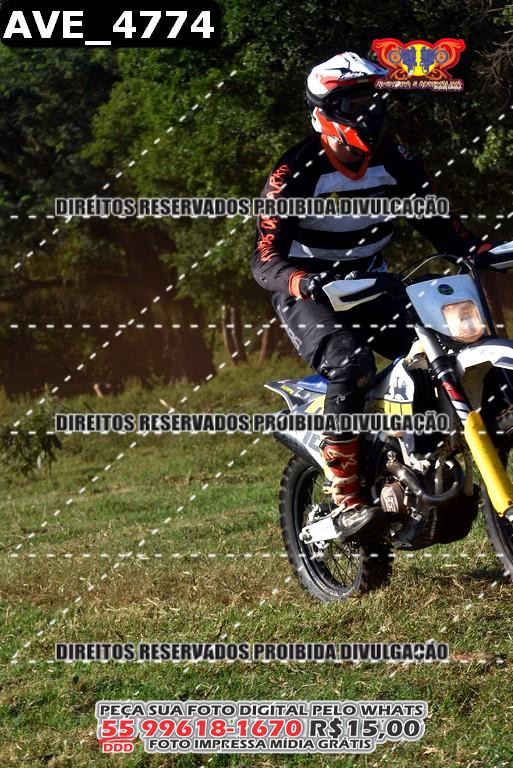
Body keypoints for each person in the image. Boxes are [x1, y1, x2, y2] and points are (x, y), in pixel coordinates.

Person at [252, 52, 489, 540]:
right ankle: (347, 498)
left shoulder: (397, 160)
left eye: (373, 100)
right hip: (311, 293)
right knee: (351, 364)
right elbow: (264, 259)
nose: (368, 112)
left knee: (445, 349)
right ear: (325, 111)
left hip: (375, 284)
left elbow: (442, 226)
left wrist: (481, 251)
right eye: (355, 103)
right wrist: (303, 282)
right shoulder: (294, 171)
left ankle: (422, 458)